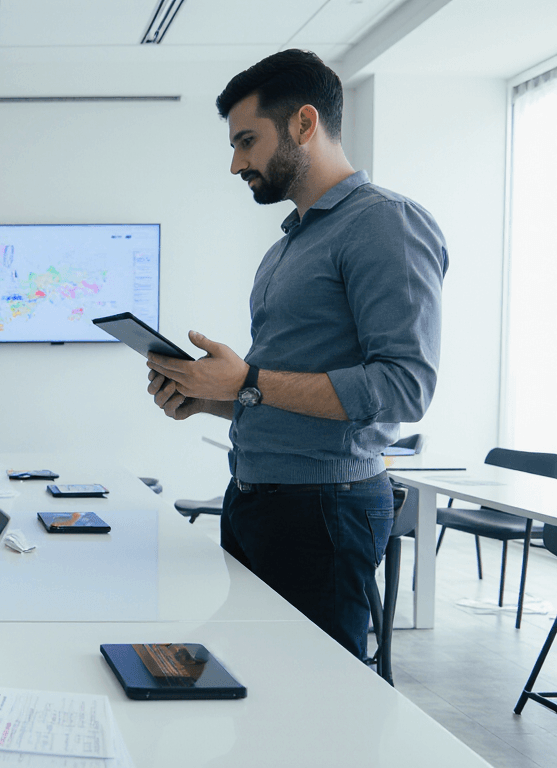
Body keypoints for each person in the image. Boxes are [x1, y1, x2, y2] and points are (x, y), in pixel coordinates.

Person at [143, 50, 447, 660]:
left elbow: (404, 387)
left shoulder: (385, 224)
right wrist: (213, 399)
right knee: (258, 688)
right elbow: (288, 391)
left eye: (247, 141)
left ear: (305, 124)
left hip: (324, 511)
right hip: (256, 498)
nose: (236, 164)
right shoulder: (289, 245)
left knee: (324, 709)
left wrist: (248, 379)